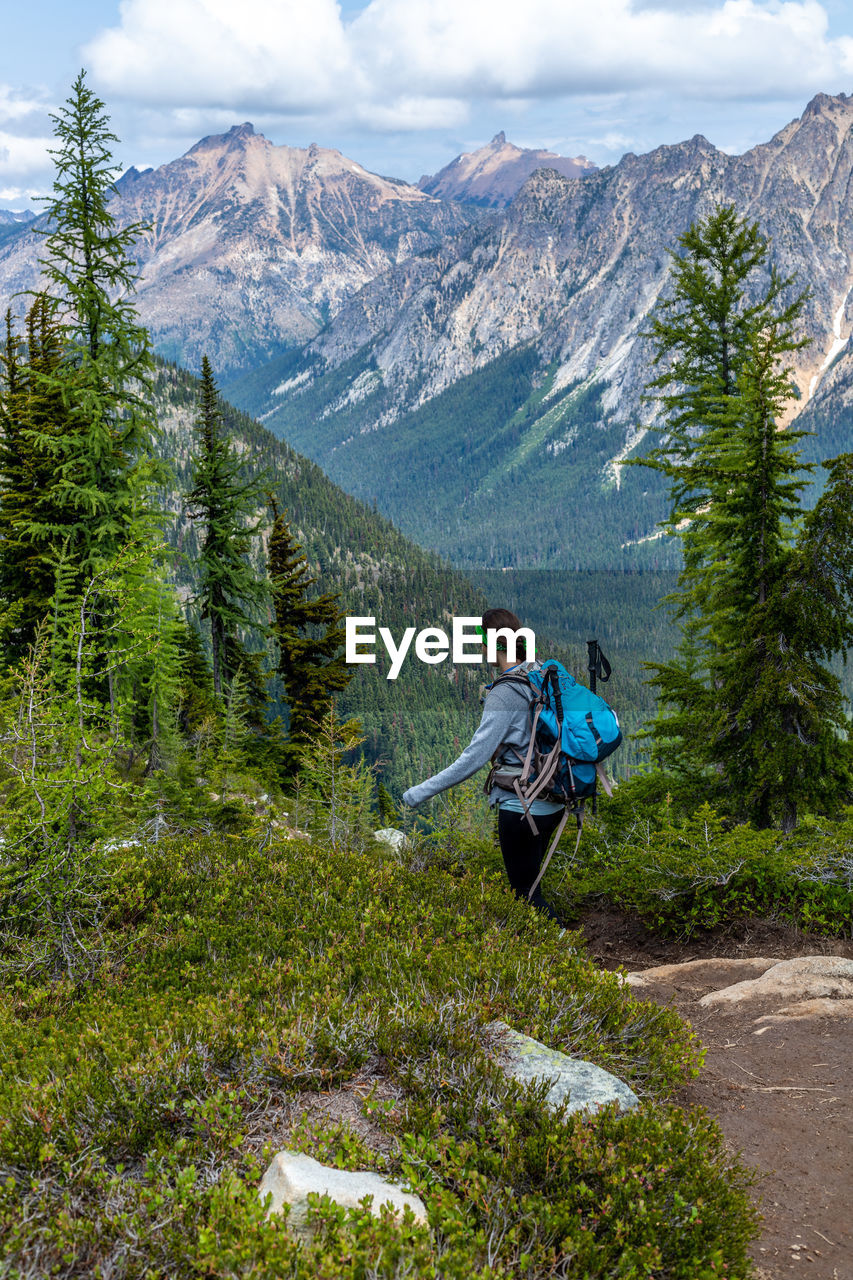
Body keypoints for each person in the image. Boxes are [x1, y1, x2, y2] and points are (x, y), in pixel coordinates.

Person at [402, 607, 566, 923]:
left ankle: (564, 954)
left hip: (521, 808)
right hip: (552, 799)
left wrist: (420, 792)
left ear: (494, 645)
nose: (481, 651)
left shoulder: (504, 693)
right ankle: (547, 954)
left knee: (525, 895)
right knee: (530, 887)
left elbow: (473, 759)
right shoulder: (541, 672)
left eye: (483, 643)